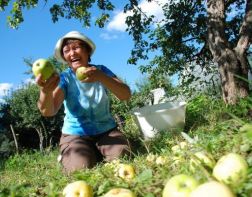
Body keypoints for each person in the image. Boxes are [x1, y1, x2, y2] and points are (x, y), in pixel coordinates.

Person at [35, 31, 132, 173]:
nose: (72, 53)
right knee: (79, 169)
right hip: (75, 135)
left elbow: (125, 95)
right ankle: (74, 154)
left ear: (87, 51)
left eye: (76, 47)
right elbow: (48, 111)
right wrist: (45, 91)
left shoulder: (101, 71)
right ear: (65, 58)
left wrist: (101, 77)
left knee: (122, 157)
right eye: (66, 51)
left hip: (107, 131)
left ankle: (97, 151)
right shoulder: (65, 78)